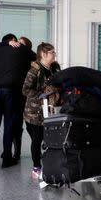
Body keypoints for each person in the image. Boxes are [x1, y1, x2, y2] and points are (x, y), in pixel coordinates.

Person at [0, 34, 35, 171]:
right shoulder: (22, 50)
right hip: (12, 92)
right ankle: (7, 159)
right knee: (9, 125)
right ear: (14, 41)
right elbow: (35, 56)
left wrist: (6, 44)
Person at [23, 42, 60, 179]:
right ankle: (36, 167)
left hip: (49, 111)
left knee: (50, 138)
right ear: (43, 54)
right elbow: (25, 90)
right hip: (34, 113)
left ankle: (51, 163)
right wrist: (41, 94)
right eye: (52, 52)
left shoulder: (54, 68)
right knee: (36, 140)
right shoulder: (35, 70)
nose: (54, 54)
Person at [12, 36, 36, 160]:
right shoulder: (13, 59)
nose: (17, 46)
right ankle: (17, 152)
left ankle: (38, 147)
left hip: (27, 99)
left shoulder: (31, 61)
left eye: (21, 44)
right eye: (17, 43)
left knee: (30, 126)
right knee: (17, 125)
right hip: (17, 96)